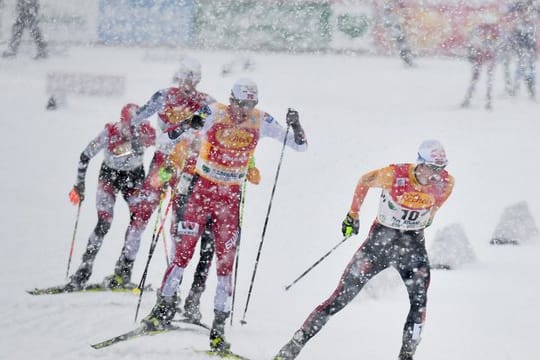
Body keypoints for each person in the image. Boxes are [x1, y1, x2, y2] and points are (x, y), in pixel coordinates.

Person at [141, 78, 308, 355]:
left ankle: (218, 330)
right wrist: (184, 128)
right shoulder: (213, 112)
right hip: (202, 192)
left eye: (250, 104)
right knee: (183, 254)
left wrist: (296, 123)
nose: (244, 110)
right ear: (231, 99)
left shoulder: (261, 120)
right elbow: (171, 135)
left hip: (229, 199)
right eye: (241, 103)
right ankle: (162, 309)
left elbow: (299, 145)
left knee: (225, 265)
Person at [274, 139, 454, 360]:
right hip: (379, 245)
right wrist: (353, 214)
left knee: (419, 305)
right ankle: (294, 346)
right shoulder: (394, 175)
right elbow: (364, 181)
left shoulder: (446, 183)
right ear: (420, 163)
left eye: (440, 169)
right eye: (431, 168)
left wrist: (425, 219)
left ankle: (407, 356)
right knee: (340, 297)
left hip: (413, 249)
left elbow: (433, 211)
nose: (435, 175)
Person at [104, 56, 216, 289]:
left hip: (186, 168)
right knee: (141, 214)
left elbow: (217, 128)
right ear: (179, 76)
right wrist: (138, 138)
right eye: (185, 76)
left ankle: (171, 286)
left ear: (198, 79)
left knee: (179, 223)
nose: (188, 82)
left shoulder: (206, 103)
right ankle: (123, 270)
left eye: (193, 78)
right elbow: (137, 117)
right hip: (163, 164)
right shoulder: (164, 95)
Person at [66, 104, 156, 291]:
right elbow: (85, 155)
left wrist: (163, 178)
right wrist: (79, 183)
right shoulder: (110, 131)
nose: (131, 129)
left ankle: (124, 271)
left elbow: (167, 146)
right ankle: (83, 270)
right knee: (104, 222)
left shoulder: (147, 131)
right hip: (109, 177)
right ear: (121, 121)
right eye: (128, 125)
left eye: (136, 125)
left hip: (134, 178)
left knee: (138, 222)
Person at [461, 22, 501, 110]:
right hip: (484, 55)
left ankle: (472, 98)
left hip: (482, 56)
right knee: (487, 79)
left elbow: (472, 42)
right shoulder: (492, 30)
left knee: (477, 78)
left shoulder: (481, 30)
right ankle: (487, 100)